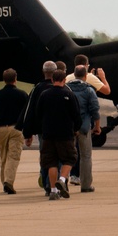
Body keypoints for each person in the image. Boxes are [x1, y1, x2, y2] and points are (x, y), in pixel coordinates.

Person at [35, 69, 82, 200]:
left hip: (48, 134)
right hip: (65, 134)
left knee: (51, 163)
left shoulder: (44, 95)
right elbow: (76, 115)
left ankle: (53, 191)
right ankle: (62, 179)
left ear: (51, 80)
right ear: (64, 80)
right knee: (70, 158)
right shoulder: (69, 95)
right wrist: (76, 128)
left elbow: (38, 113)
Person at [65, 54, 110, 185]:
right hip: (85, 123)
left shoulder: (68, 78)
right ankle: (85, 182)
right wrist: (102, 78)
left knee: (71, 151)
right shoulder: (89, 79)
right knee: (85, 154)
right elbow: (107, 91)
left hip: (70, 123)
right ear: (86, 65)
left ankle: (70, 176)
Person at [19, 60, 58, 194]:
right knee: (58, 157)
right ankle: (53, 183)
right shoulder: (62, 88)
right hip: (60, 130)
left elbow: (30, 112)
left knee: (45, 156)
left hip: (43, 131)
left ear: (43, 72)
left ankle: (47, 182)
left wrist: (27, 133)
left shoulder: (37, 89)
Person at [0, 68, 28, 194]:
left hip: (1, 129)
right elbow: (26, 114)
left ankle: (4, 182)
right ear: (15, 79)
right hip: (16, 128)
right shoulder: (22, 95)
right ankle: (9, 181)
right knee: (14, 156)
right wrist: (28, 132)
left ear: (3, 80)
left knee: (3, 156)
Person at [66, 65, 101, 192]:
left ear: (74, 75)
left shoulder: (66, 88)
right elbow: (95, 110)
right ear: (86, 76)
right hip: (84, 128)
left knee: (66, 156)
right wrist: (97, 127)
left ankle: (63, 182)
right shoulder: (89, 90)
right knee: (86, 156)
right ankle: (86, 185)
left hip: (68, 128)